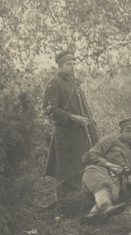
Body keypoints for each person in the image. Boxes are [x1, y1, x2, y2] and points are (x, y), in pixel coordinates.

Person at [43, 51, 100, 216]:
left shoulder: (75, 83)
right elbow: (50, 110)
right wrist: (73, 118)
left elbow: (83, 106)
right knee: (66, 171)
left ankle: (81, 204)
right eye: (68, 64)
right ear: (60, 66)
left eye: (74, 63)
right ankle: (65, 209)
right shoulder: (54, 83)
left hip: (83, 133)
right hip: (66, 135)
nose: (72, 67)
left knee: (83, 166)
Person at [79, 118, 131, 225]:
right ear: (121, 131)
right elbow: (88, 156)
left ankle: (92, 216)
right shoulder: (110, 140)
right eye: (128, 131)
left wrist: (130, 175)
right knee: (103, 184)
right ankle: (105, 207)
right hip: (98, 170)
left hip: (116, 179)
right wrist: (110, 165)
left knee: (113, 194)